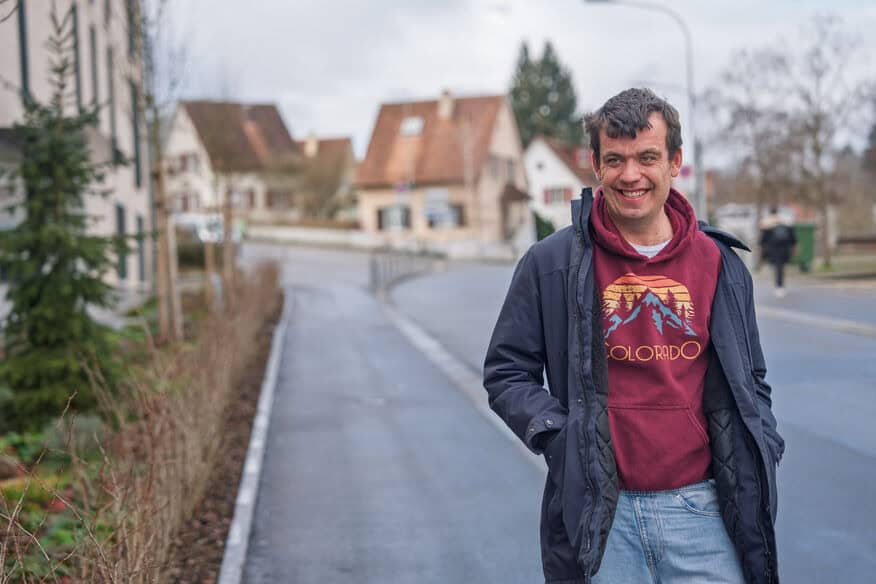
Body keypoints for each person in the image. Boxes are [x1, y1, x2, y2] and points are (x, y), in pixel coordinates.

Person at [484, 88, 783, 584]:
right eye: (616, 160)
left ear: (674, 162)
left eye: (647, 157)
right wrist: (563, 440)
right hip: (603, 516)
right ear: (596, 166)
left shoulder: (721, 265)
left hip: (704, 514)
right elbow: (506, 371)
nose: (631, 175)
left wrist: (765, 440)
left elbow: (751, 378)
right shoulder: (551, 264)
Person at [759, 207, 797, 298]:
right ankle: (780, 285)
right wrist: (794, 246)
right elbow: (792, 236)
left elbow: (763, 238)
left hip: (773, 248)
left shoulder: (767, 223)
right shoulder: (784, 221)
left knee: (778, 267)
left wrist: (762, 248)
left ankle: (779, 286)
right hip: (784, 248)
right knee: (780, 267)